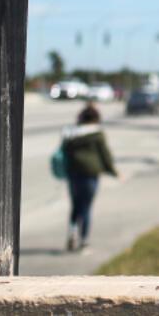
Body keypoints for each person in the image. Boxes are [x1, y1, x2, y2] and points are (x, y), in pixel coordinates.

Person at [61, 100, 119, 252]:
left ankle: (73, 232)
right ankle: (84, 239)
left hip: (74, 172)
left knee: (75, 205)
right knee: (86, 207)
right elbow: (105, 155)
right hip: (90, 174)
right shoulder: (97, 134)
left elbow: (64, 151)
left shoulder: (71, 133)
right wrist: (113, 172)